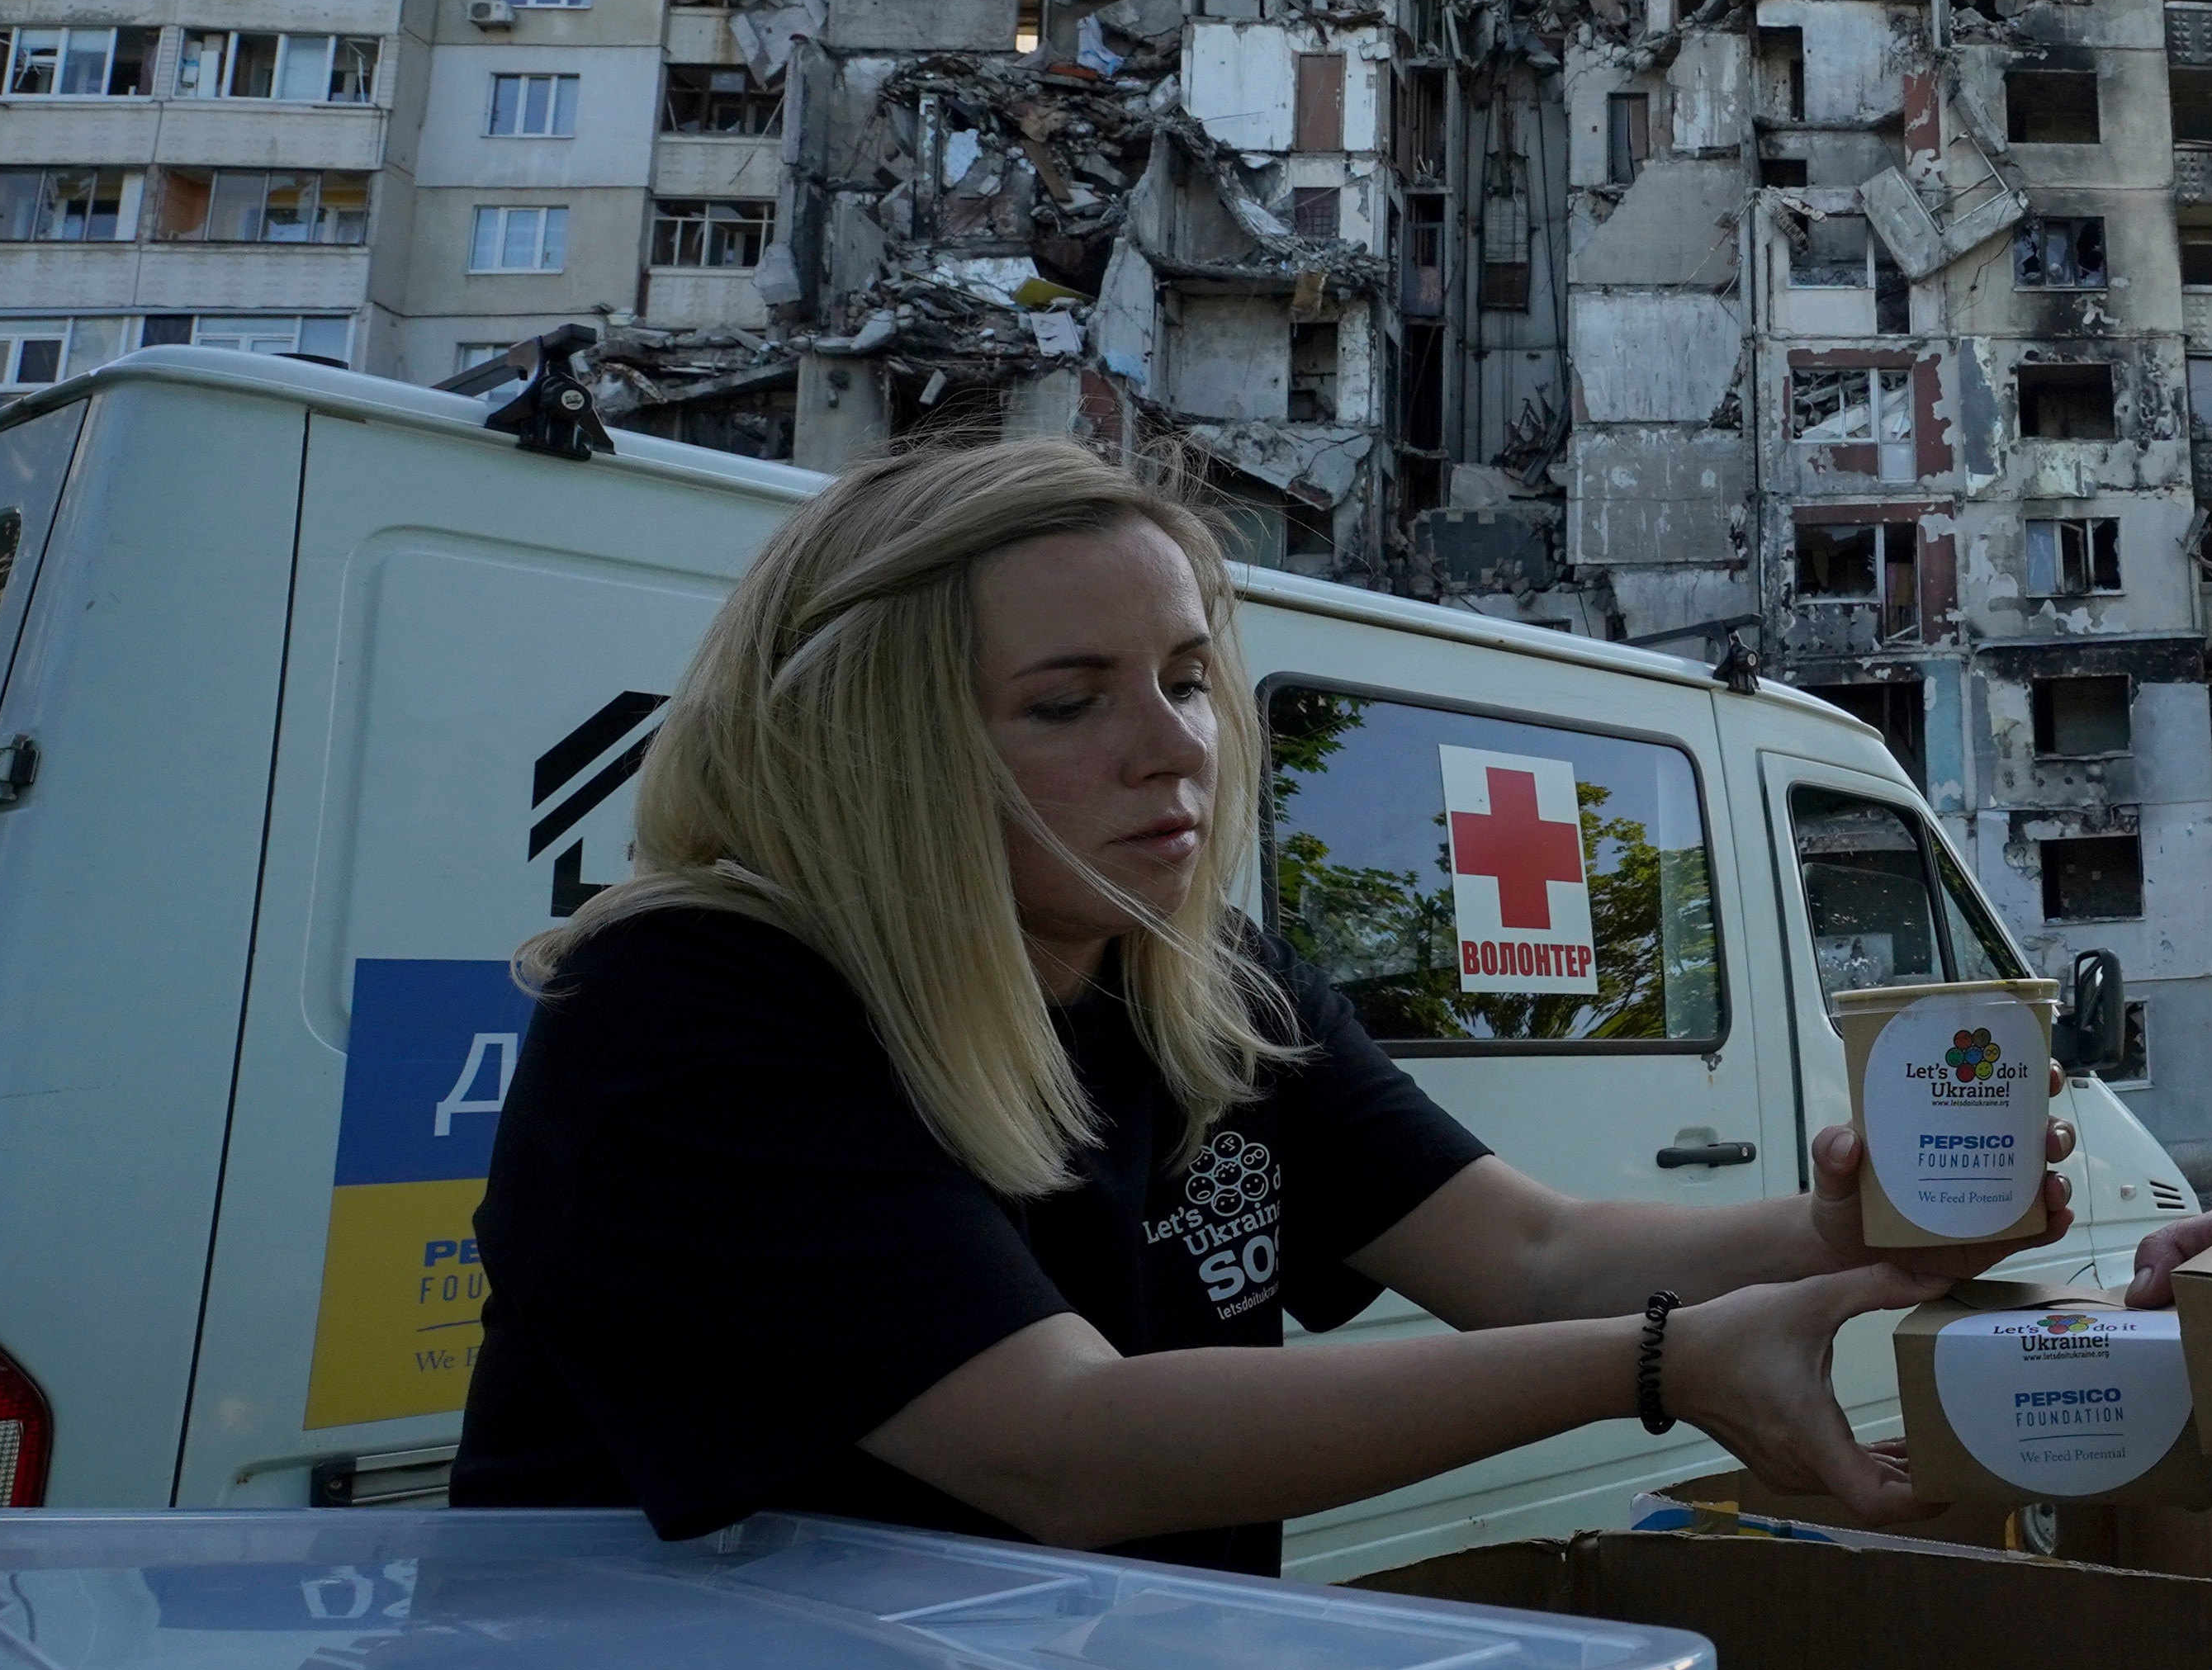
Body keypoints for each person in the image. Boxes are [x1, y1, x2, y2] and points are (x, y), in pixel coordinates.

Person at [454, 441, 2068, 1569]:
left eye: (1181, 674)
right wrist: (1667, 1363)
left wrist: (1857, 1237)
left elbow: (1529, 1258)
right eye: (1069, 701)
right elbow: (1068, 1449)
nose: (1177, 745)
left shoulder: (1194, 978)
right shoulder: (693, 1008)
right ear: (873, 745)